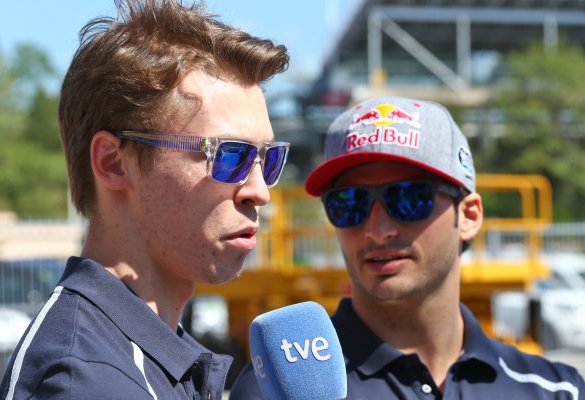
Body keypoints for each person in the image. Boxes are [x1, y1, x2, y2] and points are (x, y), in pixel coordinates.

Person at [0, 1, 289, 399]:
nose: (260, 191)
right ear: (114, 163)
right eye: (229, 155)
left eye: (269, 159)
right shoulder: (85, 380)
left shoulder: (137, 355)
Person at [230, 96, 585, 399]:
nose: (377, 229)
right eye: (348, 203)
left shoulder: (554, 390)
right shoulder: (279, 389)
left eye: (409, 199)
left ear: (470, 215)